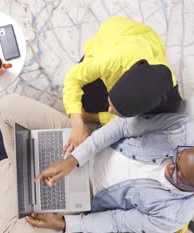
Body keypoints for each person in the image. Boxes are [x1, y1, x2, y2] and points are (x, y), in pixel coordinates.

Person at [0, 94, 194, 233]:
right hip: (81, 145)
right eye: (178, 157)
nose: (170, 166)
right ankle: (17, 168)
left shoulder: (172, 216)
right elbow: (122, 125)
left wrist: (65, 224)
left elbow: (117, 221)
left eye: (179, 176)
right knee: (6, 108)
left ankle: (12, 163)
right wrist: (72, 160)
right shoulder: (182, 130)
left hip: (83, 198)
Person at [63, 16, 181, 154]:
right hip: (114, 38)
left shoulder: (168, 104)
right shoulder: (114, 60)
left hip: (142, 51)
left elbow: (130, 123)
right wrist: (77, 125)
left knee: (88, 108)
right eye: (110, 104)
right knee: (84, 100)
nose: (109, 111)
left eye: (117, 112)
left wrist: (88, 117)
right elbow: (72, 78)